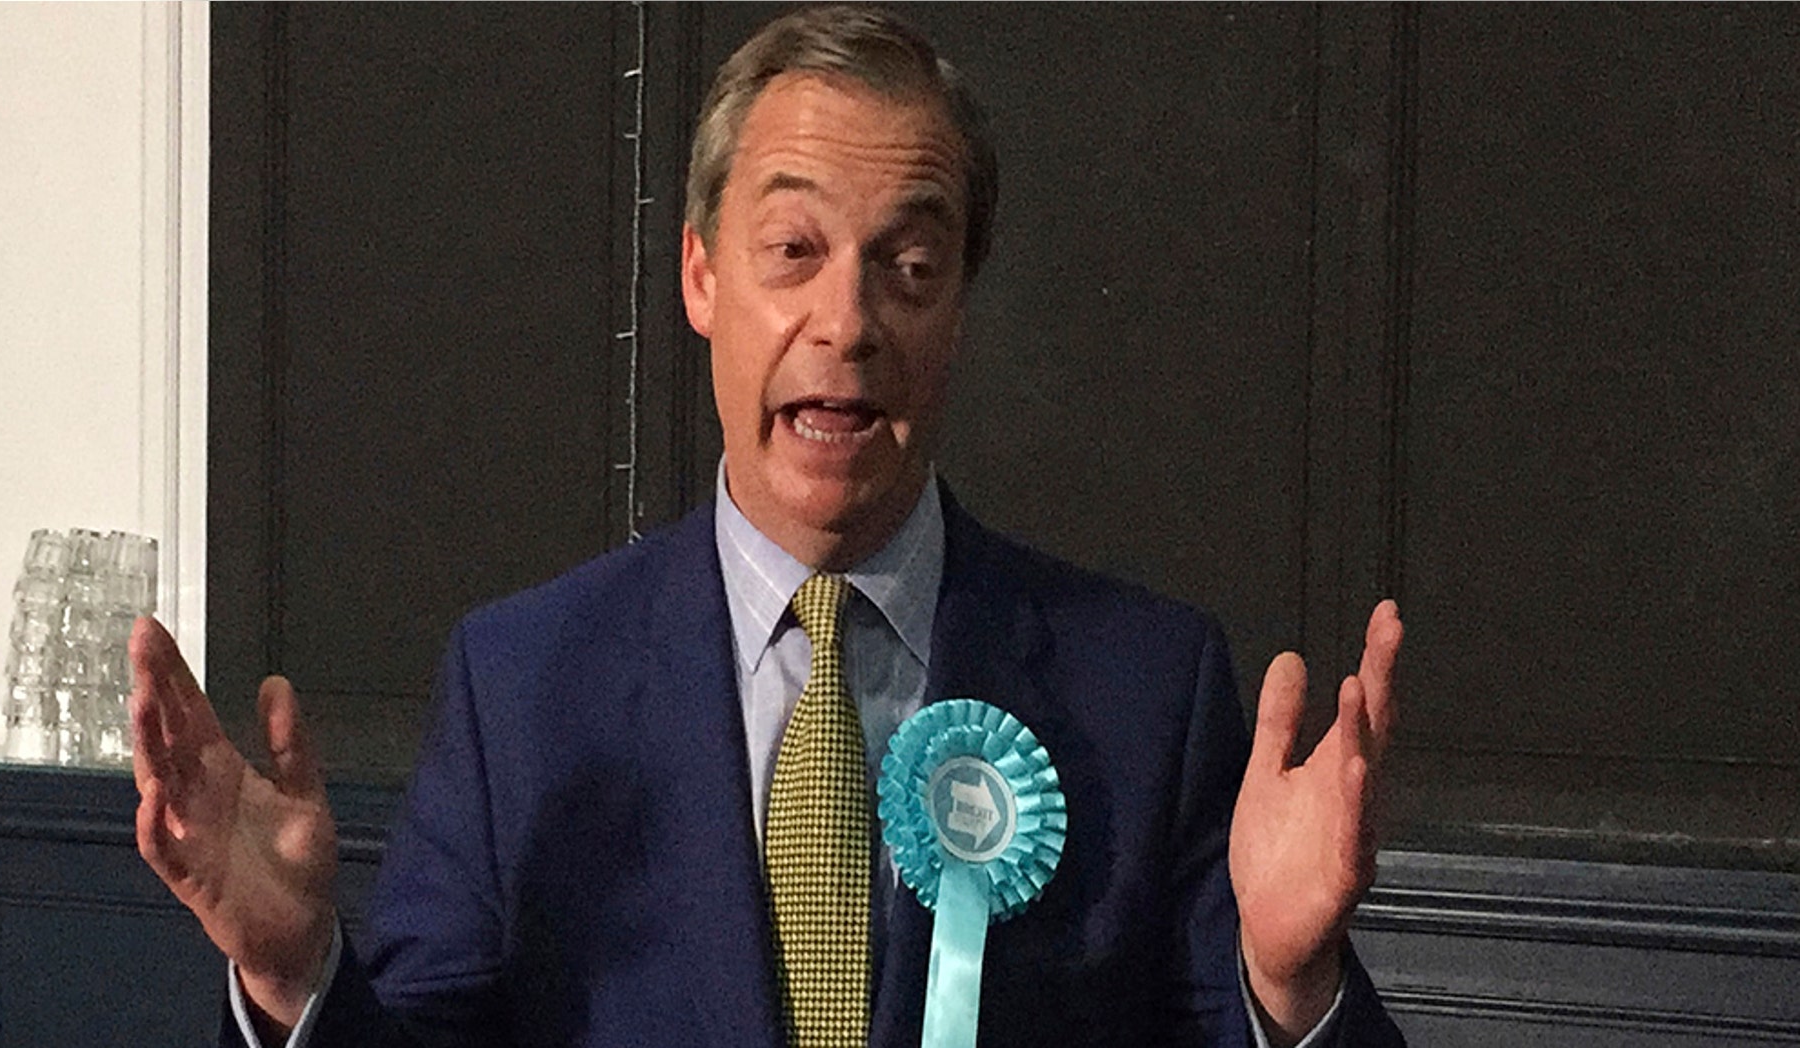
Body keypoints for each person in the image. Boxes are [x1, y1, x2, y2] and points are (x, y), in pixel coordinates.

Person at [130, 7, 1405, 1047]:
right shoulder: (522, 688)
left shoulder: (1145, 690)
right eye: (792, 250)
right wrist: (296, 976)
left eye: (908, 269)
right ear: (700, 277)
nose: (845, 324)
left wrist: (1292, 997)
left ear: (959, 305)